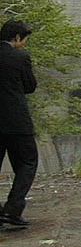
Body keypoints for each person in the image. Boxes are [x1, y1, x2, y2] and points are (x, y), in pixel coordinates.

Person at [0, 19, 38, 226]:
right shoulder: (20, 56)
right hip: (16, 120)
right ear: (16, 38)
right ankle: (13, 209)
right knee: (27, 162)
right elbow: (30, 86)